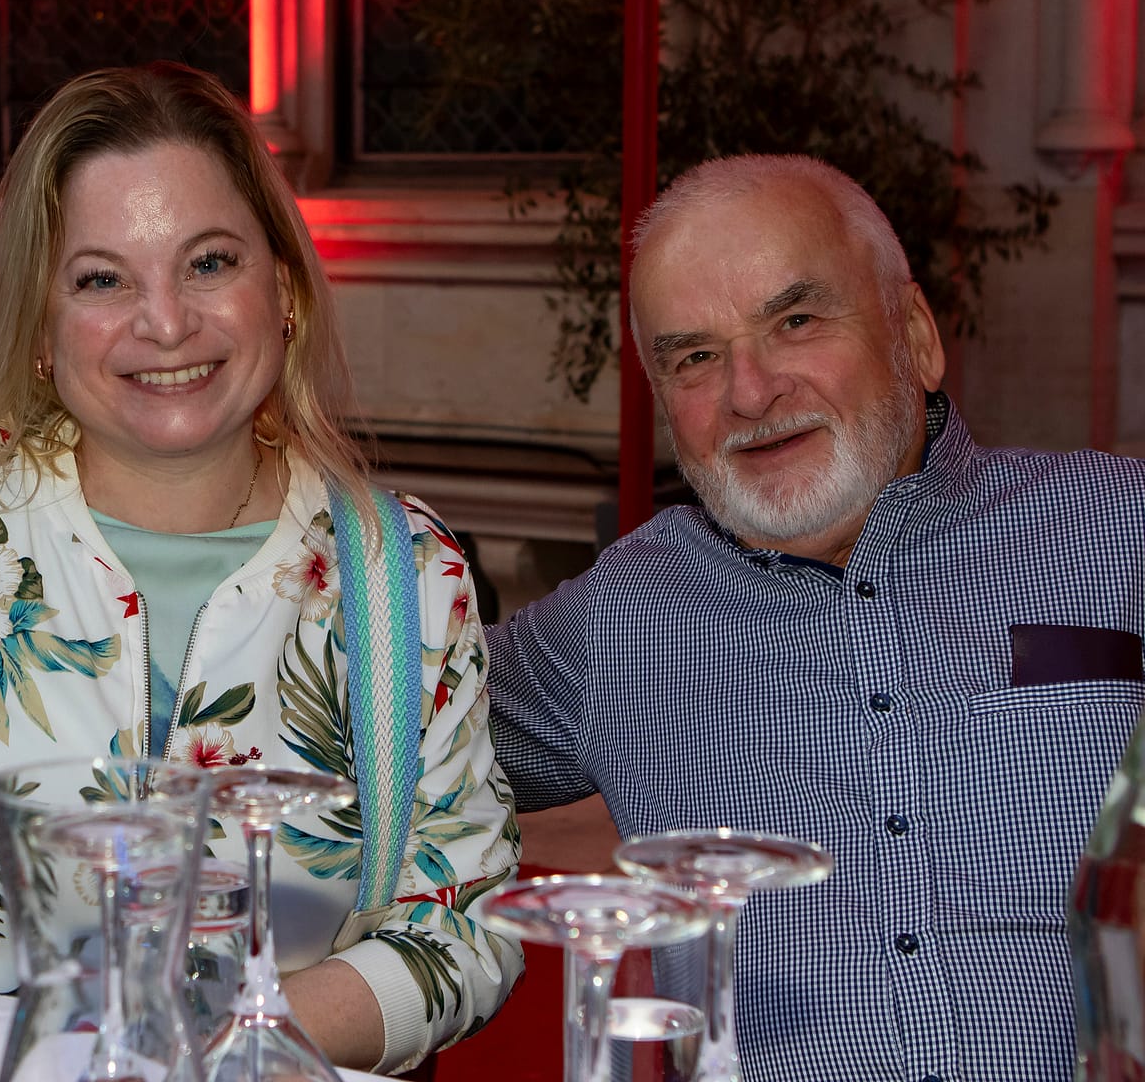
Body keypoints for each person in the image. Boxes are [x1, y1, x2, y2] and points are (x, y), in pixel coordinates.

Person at [0, 62, 520, 1074]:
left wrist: (213, 1043)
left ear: (283, 288)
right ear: (40, 326)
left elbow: (463, 925)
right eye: (101, 279)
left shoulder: (401, 573)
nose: (164, 322)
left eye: (208, 262)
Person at [487, 153, 1145, 1081]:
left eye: (794, 321)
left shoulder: (1120, 530)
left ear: (916, 335)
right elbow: (356, 725)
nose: (750, 392)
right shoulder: (622, 614)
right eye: (695, 358)